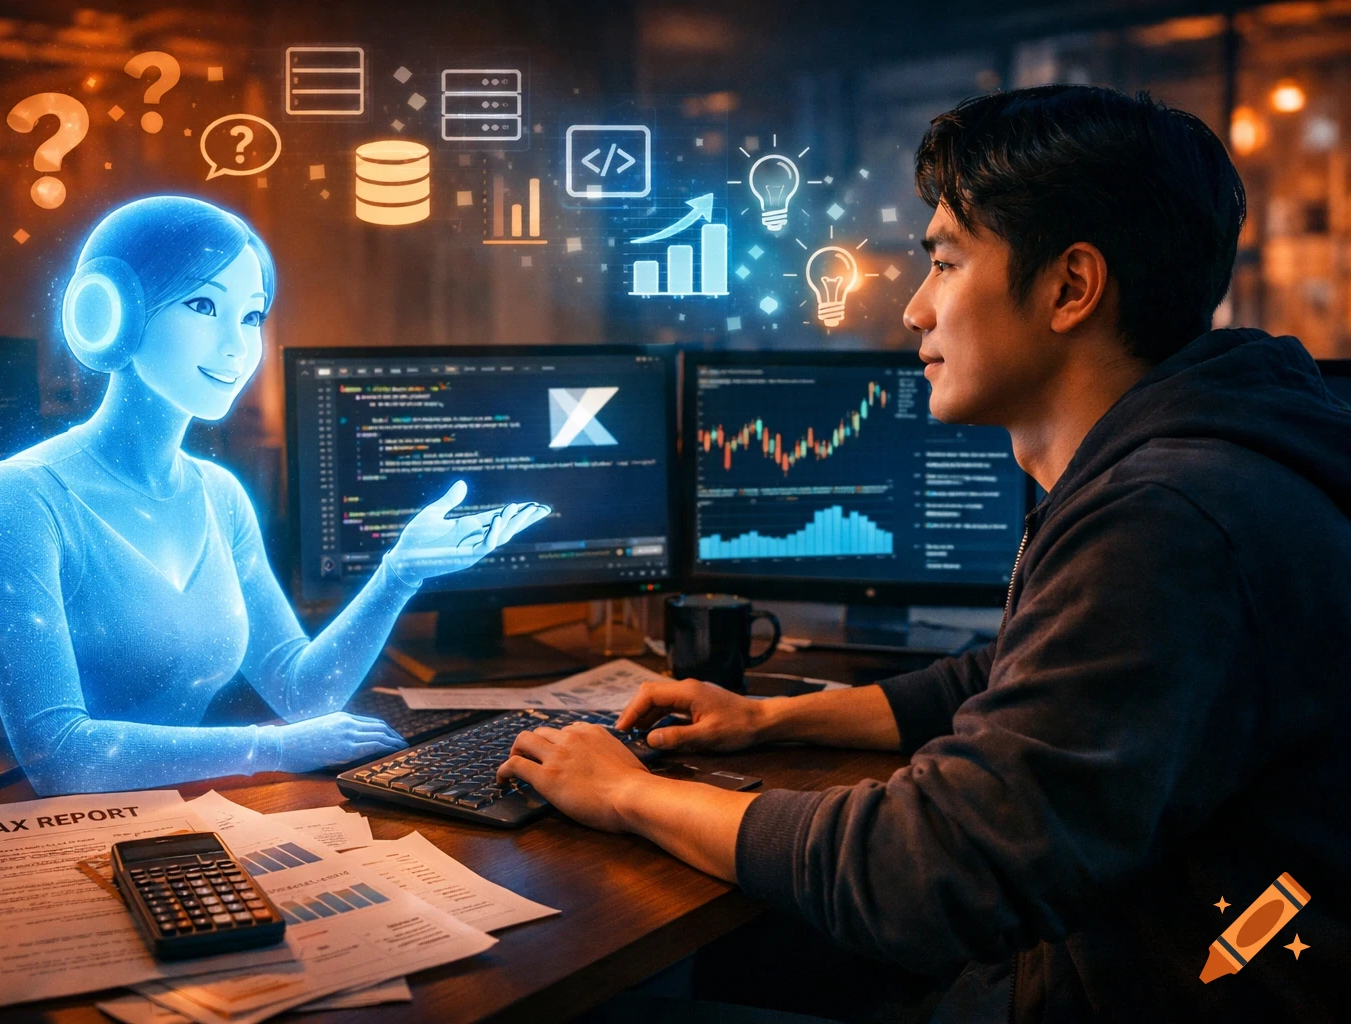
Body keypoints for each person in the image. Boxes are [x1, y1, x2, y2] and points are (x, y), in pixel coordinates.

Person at [501, 86, 1351, 1021]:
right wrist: (768, 722)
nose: (913, 310)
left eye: (944, 262)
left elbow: (931, 872)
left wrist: (625, 794)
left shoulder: (1167, 516)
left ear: (1071, 286)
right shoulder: (1204, 458)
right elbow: (1026, 681)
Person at [0, 196, 550, 795]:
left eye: (250, 317)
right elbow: (58, 758)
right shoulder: (19, 497)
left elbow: (302, 693)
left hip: (188, 815)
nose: (237, 347)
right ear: (110, 313)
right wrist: (267, 747)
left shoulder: (220, 495)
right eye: (202, 305)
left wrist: (400, 572)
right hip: (71, 847)